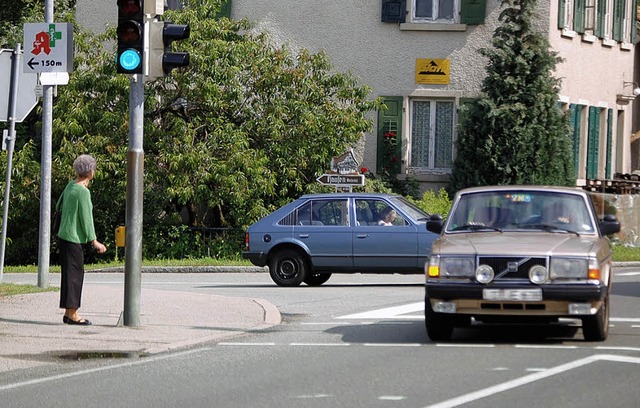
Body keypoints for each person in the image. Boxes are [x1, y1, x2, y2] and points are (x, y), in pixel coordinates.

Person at [56, 154, 107, 325]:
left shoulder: (70, 186)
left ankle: (68, 311)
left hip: (64, 236)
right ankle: (73, 314)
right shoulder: (83, 192)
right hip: (74, 238)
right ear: (91, 172)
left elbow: (58, 206)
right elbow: (87, 219)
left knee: (69, 275)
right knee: (75, 276)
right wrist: (94, 242)